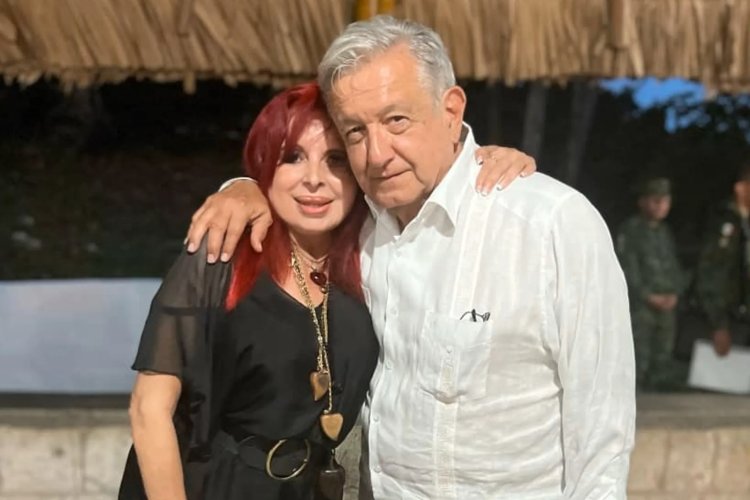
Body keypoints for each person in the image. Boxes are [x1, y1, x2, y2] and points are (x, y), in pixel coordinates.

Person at [186, 16, 635, 499]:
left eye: (396, 120)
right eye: (355, 132)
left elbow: (602, 432)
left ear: (451, 110)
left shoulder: (550, 225)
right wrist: (241, 187)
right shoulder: (352, 228)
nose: (378, 153)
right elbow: (292, 193)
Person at [118, 82, 381, 500]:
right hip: (211, 485)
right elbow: (149, 410)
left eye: (335, 160)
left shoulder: (374, 256)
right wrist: (239, 185)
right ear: (265, 167)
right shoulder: (222, 254)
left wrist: (488, 158)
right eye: (292, 157)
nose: (314, 179)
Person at [616, 177, 688, 390]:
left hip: (666, 305)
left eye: (665, 201)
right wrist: (646, 295)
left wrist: (675, 293)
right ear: (643, 202)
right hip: (641, 307)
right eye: (655, 200)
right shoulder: (631, 230)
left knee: (662, 360)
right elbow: (626, 268)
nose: (661, 206)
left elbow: (672, 266)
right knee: (637, 359)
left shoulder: (664, 232)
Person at [695, 161, 750, 356]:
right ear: (740, 188)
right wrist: (719, 325)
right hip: (729, 321)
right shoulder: (725, 222)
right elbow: (711, 275)